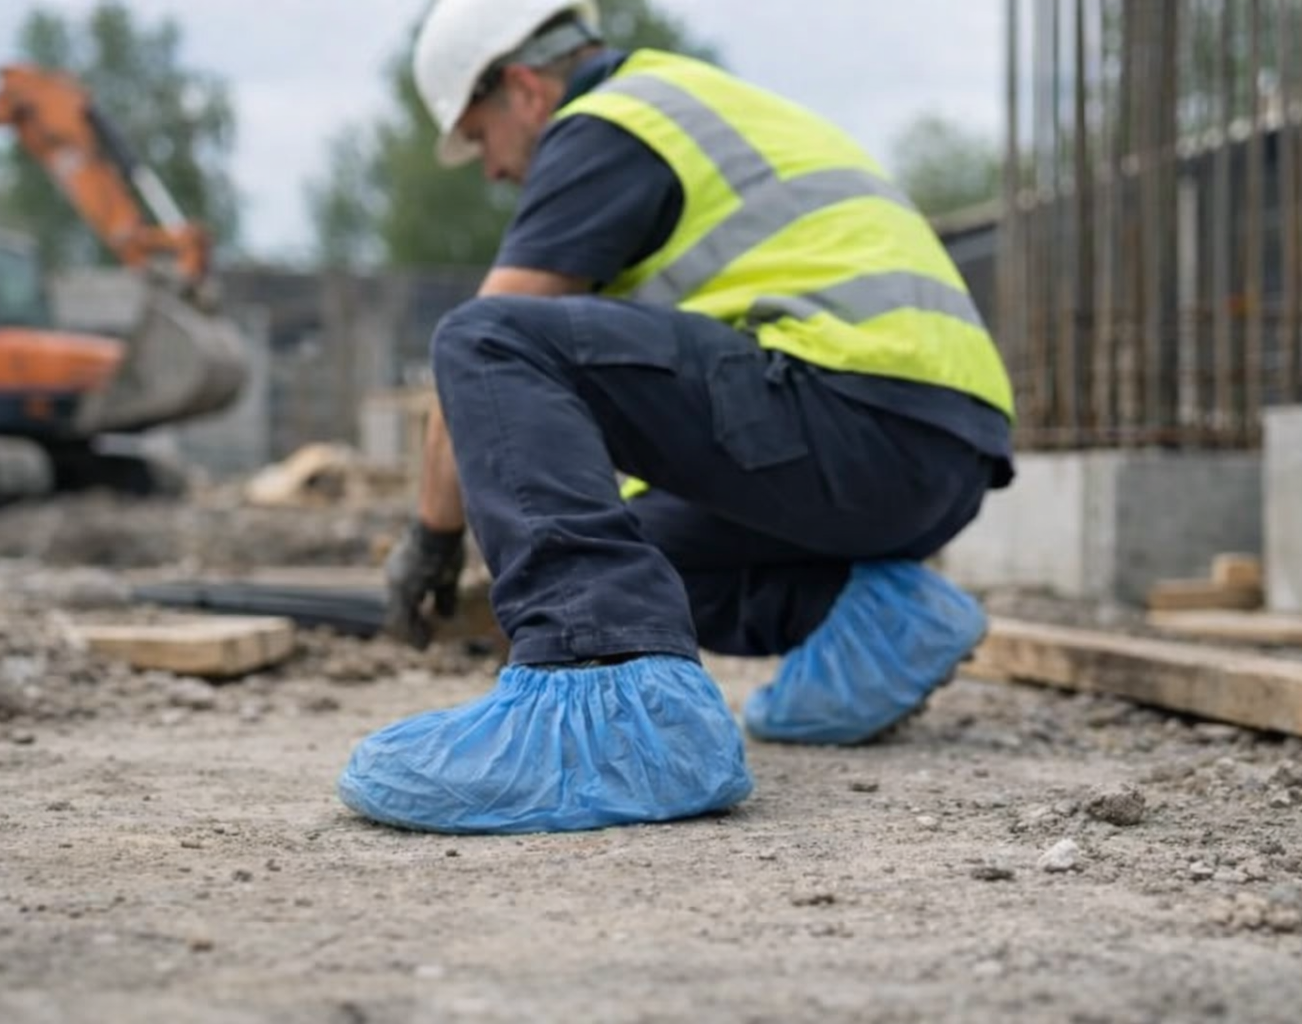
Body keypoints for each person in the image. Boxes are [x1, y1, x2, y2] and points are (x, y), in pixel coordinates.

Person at [337, 0, 1016, 835]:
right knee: (638, 559)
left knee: (483, 337)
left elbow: (481, 364)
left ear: (523, 89)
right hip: (933, 458)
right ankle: (868, 613)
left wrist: (430, 547)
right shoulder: (689, 104)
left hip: (842, 406)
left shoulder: (605, 127)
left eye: (478, 138)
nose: (490, 170)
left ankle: (601, 689)